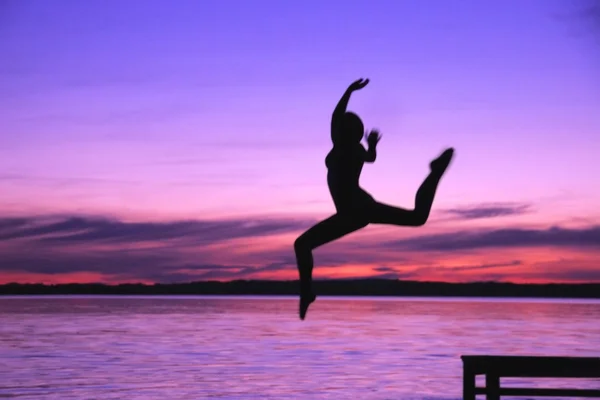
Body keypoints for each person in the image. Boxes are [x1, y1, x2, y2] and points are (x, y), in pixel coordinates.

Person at [293, 78, 455, 320]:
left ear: (343, 132)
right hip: (357, 209)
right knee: (417, 217)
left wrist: (349, 90)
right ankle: (434, 173)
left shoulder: (341, 146)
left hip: (354, 209)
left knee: (302, 245)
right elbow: (371, 157)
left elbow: (336, 115)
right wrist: (371, 145)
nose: (335, 128)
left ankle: (307, 292)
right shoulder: (357, 150)